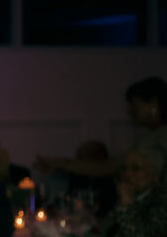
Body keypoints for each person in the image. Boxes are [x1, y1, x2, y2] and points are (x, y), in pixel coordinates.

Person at [34, 76, 167, 190]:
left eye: (134, 105)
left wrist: (61, 163)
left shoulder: (158, 141)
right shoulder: (153, 136)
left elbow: (109, 166)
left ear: (153, 104)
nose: (129, 111)